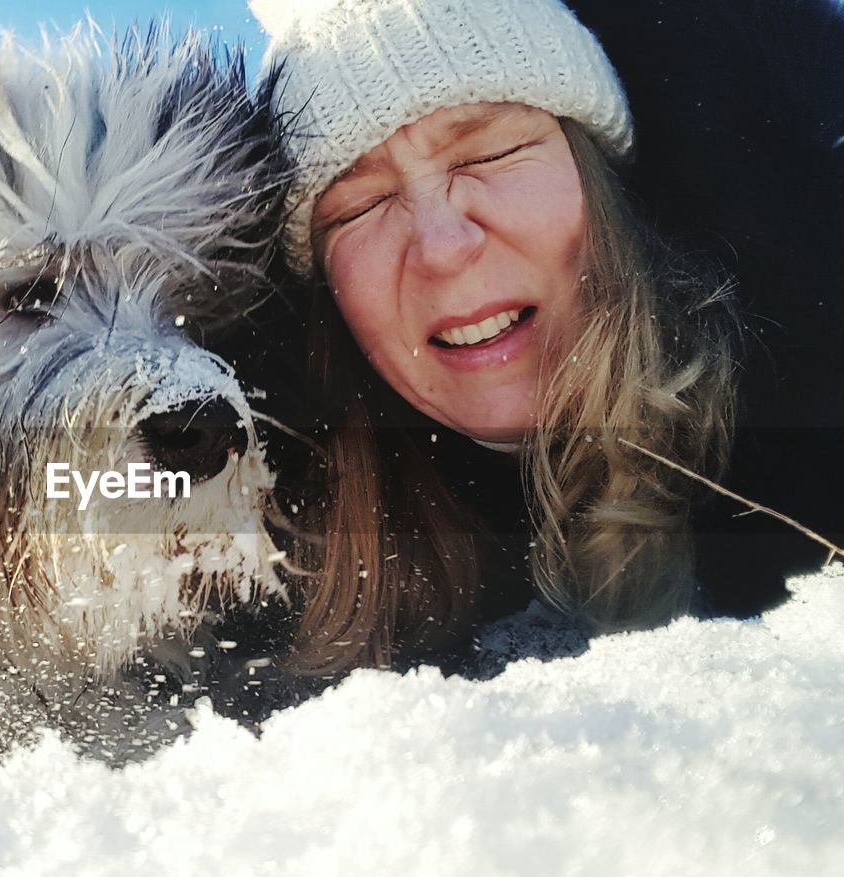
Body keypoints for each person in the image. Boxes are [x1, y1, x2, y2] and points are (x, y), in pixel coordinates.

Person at [249, 0, 844, 673]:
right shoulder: (270, 578)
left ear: (603, 184)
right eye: (360, 206)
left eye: (492, 152)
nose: (442, 245)